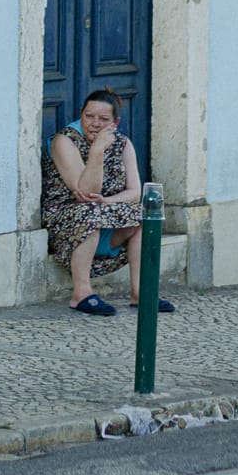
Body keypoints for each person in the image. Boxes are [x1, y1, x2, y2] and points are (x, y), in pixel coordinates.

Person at [41, 87, 175, 316]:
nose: (94, 124)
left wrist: (107, 201)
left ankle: (141, 292)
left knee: (143, 216)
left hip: (104, 213)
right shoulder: (64, 141)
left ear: (115, 122)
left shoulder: (123, 143)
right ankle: (81, 293)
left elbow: (134, 192)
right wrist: (96, 152)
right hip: (66, 221)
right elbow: (85, 191)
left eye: (103, 119)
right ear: (81, 114)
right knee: (89, 211)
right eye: (89, 116)